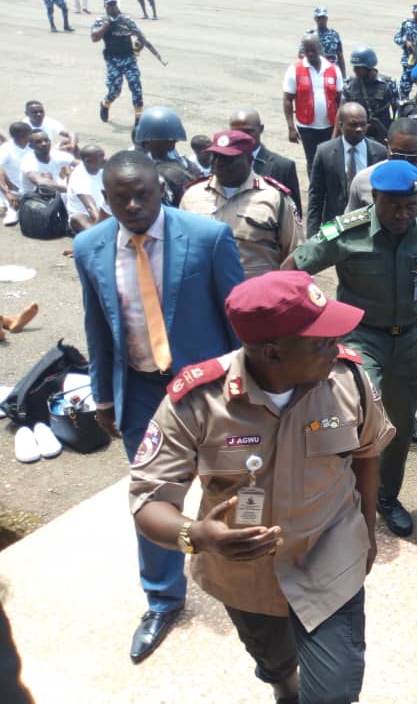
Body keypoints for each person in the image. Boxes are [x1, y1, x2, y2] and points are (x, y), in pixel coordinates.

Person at [128, 270, 394, 704]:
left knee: (335, 692)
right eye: (319, 342)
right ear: (272, 352)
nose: (335, 347)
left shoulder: (348, 380)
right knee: (275, 665)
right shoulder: (197, 401)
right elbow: (148, 500)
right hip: (245, 578)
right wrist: (196, 536)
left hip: (331, 561)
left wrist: (365, 533)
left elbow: (367, 454)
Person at [73, 150, 243, 663]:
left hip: (210, 392)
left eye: (141, 193)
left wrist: (253, 388)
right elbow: (98, 327)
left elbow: (239, 321)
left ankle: (248, 579)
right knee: (153, 501)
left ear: (160, 190)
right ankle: (163, 599)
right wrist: (103, 394)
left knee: (236, 487)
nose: (132, 204)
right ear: (105, 199)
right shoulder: (89, 247)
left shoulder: (208, 238)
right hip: (143, 394)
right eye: (120, 197)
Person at [289, 160, 417, 539]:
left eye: (410, 205)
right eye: (394, 205)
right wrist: (309, 328)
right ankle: (339, 497)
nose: (403, 214)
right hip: (361, 338)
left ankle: (386, 497)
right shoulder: (347, 232)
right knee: (358, 416)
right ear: (374, 198)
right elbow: (294, 269)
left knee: (395, 425)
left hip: (410, 340)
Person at [179, 130, 301, 279]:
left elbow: (295, 253)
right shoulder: (193, 195)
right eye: (215, 156)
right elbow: (179, 247)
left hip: (255, 295)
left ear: (249, 160)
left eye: (227, 158)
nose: (218, 163)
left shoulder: (274, 198)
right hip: (204, 292)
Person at [346, 117, 417, 229]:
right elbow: (350, 230)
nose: (405, 163)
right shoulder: (363, 180)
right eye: (398, 156)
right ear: (386, 146)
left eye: (412, 157)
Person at [306, 102, 387, 237]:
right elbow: (316, 197)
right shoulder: (324, 152)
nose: (359, 129)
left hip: (369, 227)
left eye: (363, 124)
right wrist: (312, 235)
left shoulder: (379, 153)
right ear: (340, 125)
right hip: (333, 225)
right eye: (353, 125)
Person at [92, 0, 162, 124]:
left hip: (129, 58)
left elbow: (141, 36)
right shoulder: (101, 21)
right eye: (109, 5)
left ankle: (138, 120)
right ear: (105, 7)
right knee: (115, 90)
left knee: (136, 87)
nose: (112, 7)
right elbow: (94, 37)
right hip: (113, 59)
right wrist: (105, 26)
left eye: (114, 4)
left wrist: (137, 50)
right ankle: (105, 104)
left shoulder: (126, 20)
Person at [283, 33, 343, 176]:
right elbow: (287, 99)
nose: (310, 53)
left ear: (320, 48)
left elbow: (341, 101)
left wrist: (337, 128)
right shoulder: (295, 69)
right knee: (313, 161)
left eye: (313, 49)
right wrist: (291, 127)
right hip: (306, 127)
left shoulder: (333, 69)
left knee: (331, 160)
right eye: (307, 50)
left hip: (330, 126)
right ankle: (315, 193)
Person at [230, 107, 302, 214]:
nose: (242, 137)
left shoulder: (282, 167)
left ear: (261, 129)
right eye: (237, 132)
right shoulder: (221, 163)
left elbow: (294, 213)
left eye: (248, 131)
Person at [344, 45, 399, 145]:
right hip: (358, 135)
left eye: (359, 67)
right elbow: (343, 112)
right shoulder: (349, 85)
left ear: (369, 66)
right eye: (354, 67)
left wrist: (394, 131)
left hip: (383, 135)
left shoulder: (388, 83)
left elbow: (397, 109)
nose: (355, 70)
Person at [66, 144, 107, 234]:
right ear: (88, 161)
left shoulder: (102, 170)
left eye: (103, 155)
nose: (104, 159)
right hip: (86, 217)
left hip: (102, 213)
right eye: (100, 157)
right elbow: (90, 208)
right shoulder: (79, 178)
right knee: (79, 218)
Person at [0, 123, 32, 227]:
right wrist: (8, 193)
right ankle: (10, 206)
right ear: (22, 135)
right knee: (10, 218)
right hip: (14, 189)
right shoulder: (6, 149)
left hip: (33, 186)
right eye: (29, 133)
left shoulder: (34, 144)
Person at [304, 6, 345, 78]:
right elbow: (301, 54)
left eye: (323, 17)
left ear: (326, 18)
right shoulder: (310, 35)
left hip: (332, 70)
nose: (321, 20)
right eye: (319, 18)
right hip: (315, 69)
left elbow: (340, 56)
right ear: (315, 19)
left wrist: (343, 76)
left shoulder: (334, 34)